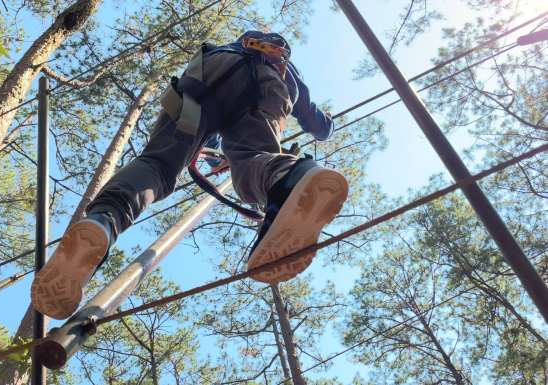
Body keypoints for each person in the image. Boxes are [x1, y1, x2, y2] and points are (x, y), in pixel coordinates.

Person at [31, 31, 349, 319]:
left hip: (207, 74)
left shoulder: (230, 48)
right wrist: (327, 123)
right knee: (253, 161)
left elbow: (205, 130)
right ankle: (290, 178)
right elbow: (316, 124)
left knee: (159, 164)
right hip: (265, 90)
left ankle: (102, 220)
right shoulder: (286, 68)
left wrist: (206, 146)